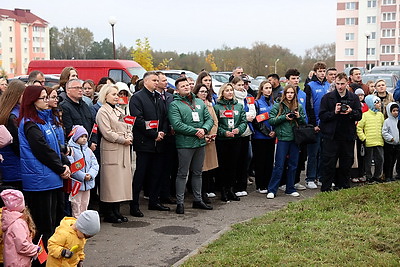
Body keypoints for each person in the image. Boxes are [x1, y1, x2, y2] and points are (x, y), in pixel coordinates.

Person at [18, 85, 71, 247]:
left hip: (51, 178)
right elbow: (42, 151)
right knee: (43, 227)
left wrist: (64, 162)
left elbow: (54, 147)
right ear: (33, 101)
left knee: (55, 222)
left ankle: (53, 258)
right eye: (43, 98)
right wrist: (61, 168)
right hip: (40, 182)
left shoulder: (44, 120)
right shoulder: (30, 124)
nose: (47, 101)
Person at [168, 77, 214, 214]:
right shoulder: (174, 105)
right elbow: (177, 125)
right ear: (177, 90)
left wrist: (204, 130)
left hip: (200, 143)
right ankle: (180, 203)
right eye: (183, 86)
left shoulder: (199, 102)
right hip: (185, 144)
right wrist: (195, 131)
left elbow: (209, 119)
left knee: (197, 173)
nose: (186, 87)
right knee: (182, 173)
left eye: (187, 85)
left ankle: (198, 200)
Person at [129, 71, 169, 217]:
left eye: (158, 80)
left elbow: (164, 117)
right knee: (141, 174)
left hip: (159, 143)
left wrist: (163, 132)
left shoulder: (158, 98)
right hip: (144, 143)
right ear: (145, 82)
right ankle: (134, 205)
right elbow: (137, 120)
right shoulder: (137, 98)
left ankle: (154, 201)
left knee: (156, 173)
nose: (157, 83)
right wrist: (153, 134)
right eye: (154, 80)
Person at [319, 72, 362, 192]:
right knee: (329, 162)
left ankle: (343, 186)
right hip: (331, 136)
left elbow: (359, 115)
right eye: (337, 84)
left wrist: (351, 112)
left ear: (347, 83)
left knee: (347, 162)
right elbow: (322, 116)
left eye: (342, 84)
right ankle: (326, 187)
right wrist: (335, 112)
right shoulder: (327, 98)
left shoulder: (353, 98)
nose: (340, 86)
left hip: (347, 135)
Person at [96, 84, 133, 223]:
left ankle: (117, 211)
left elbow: (128, 124)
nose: (117, 96)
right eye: (113, 94)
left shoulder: (119, 110)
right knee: (110, 183)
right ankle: (108, 212)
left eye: (117, 94)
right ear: (105, 96)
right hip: (112, 148)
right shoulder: (102, 112)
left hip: (123, 149)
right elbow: (107, 133)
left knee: (120, 182)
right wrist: (123, 139)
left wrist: (129, 135)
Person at [266, 85, 306, 199]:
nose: (289, 95)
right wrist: (284, 117)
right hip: (283, 139)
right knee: (279, 165)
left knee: (293, 165)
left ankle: (290, 188)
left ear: (294, 94)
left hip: (295, 139)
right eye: (288, 92)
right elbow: (271, 120)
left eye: (292, 93)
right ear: (284, 94)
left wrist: (298, 117)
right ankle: (272, 189)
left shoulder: (299, 106)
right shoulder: (278, 106)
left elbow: (304, 122)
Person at [214, 83, 247, 202]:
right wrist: (224, 132)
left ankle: (231, 189)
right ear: (222, 93)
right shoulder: (217, 107)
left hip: (236, 140)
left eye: (231, 90)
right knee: (223, 166)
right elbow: (215, 124)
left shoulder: (238, 106)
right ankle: (223, 190)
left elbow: (243, 121)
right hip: (222, 141)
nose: (229, 92)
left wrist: (239, 130)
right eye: (227, 90)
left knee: (234, 166)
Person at [304, 62, 330, 189]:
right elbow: (309, 106)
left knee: (324, 153)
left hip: (326, 124)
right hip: (315, 125)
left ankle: (320, 177)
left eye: (323, 71)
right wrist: (314, 124)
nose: (321, 73)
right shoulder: (310, 86)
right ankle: (310, 178)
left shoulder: (328, 85)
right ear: (315, 72)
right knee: (313, 153)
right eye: (319, 71)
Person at [193, 83, 219, 202]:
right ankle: (200, 194)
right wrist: (204, 135)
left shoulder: (209, 106)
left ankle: (207, 191)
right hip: (199, 140)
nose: (204, 94)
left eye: (205, 92)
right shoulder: (192, 105)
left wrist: (211, 135)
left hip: (210, 140)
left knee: (209, 168)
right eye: (201, 92)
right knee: (200, 169)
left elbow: (214, 122)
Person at [231, 76, 256, 197]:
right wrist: (245, 117)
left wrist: (245, 116)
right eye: (239, 85)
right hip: (235, 132)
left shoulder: (249, 97)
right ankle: (234, 186)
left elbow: (253, 112)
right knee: (235, 160)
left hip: (247, 132)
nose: (242, 87)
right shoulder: (232, 97)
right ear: (234, 85)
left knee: (246, 159)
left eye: (243, 85)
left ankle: (242, 185)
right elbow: (235, 115)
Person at [1, 189, 39, 267]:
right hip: (19, 262)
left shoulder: (8, 219)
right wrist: (36, 249)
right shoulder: (18, 224)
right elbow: (22, 246)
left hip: (11, 261)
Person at [67, 126, 99, 218]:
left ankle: (83, 223)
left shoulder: (88, 151)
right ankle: (76, 224)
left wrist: (91, 175)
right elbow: (72, 167)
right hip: (76, 185)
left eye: (85, 136)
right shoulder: (71, 151)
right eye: (81, 136)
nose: (84, 138)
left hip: (87, 184)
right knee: (76, 205)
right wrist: (83, 176)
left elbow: (95, 164)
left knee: (85, 204)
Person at [0, 80, 25, 190]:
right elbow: (17, 145)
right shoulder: (13, 117)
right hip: (15, 167)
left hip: (10, 166)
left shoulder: (7, 112)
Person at [60, 79, 97, 151]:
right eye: (77, 88)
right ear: (68, 90)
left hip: (89, 148)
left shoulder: (85, 105)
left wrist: (93, 141)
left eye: (81, 88)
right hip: (75, 147)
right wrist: (88, 144)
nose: (80, 90)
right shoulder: (64, 107)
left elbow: (93, 125)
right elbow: (69, 130)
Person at [252, 81, 276, 194]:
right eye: (266, 88)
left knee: (269, 161)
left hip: (271, 137)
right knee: (260, 162)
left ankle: (268, 183)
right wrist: (267, 132)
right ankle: (260, 185)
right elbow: (255, 121)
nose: (268, 90)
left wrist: (274, 131)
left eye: (270, 88)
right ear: (261, 89)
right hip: (260, 137)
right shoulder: (257, 103)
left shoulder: (273, 103)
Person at [357, 95, 385, 183]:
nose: (379, 104)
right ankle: (369, 176)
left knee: (380, 160)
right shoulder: (365, 115)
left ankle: (377, 176)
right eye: (377, 102)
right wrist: (363, 138)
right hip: (368, 142)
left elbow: (383, 127)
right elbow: (359, 127)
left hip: (379, 141)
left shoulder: (380, 115)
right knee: (368, 161)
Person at [382, 102, 400, 182]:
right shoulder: (387, 121)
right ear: (390, 111)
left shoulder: (398, 121)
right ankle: (387, 176)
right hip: (389, 144)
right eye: (393, 111)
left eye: (397, 111)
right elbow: (384, 132)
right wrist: (390, 138)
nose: (396, 112)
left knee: (393, 161)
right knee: (388, 161)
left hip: (397, 144)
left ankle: (391, 175)